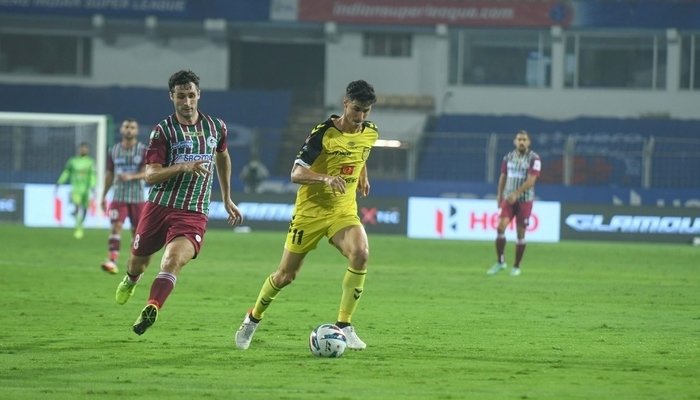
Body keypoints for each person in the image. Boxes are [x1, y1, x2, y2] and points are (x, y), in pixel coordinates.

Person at [234, 79, 378, 351]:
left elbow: (361, 152)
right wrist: (325, 179)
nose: (360, 117)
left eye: (366, 112)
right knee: (285, 276)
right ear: (345, 103)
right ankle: (252, 319)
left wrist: (362, 175)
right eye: (356, 109)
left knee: (361, 253)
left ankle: (345, 326)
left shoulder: (370, 132)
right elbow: (296, 173)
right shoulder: (322, 133)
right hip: (309, 213)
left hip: (343, 210)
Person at [114, 70, 243, 335]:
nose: (187, 102)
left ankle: (152, 306)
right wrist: (182, 166)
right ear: (171, 97)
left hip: (193, 211)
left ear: (199, 95)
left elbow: (223, 157)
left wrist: (227, 197)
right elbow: (150, 175)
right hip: (159, 206)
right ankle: (131, 279)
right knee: (137, 263)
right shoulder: (163, 131)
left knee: (172, 260)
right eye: (181, 96)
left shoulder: (216, 127)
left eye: (191, 95)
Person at [487, 130, 541, 277]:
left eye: (524, 139)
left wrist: (516, 194)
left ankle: (516, 266)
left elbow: (531, 181)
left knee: (520, 233)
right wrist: (499, 196)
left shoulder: (534, 159)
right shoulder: (508, 157)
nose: (522, 142)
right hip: (508, 199)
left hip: (524, 200)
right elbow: (503, 177)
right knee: (500, 227)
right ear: (515, 141)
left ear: (528, 142)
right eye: (519, 139)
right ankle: (500, 262)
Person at [99, 118, 147, 275]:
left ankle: (133, 262)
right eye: (126, 127)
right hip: (118, 196)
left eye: (132, 127)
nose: (129, 130)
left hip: (137, 197)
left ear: (137, 131)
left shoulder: (143, 150)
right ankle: (112, 260)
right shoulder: (113, 151)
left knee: (137, 232)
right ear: (121, 130)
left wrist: (130, 177)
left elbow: (148, 173)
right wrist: (103, 196)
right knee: (116, 226)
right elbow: (110, 174)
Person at [55, 142, 97, 239]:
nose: (83, 150)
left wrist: (93, 186)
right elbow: (66, 172)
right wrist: (59, 182)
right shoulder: (72, 161)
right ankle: (78, 228)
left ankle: (81, 223)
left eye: (85, 148)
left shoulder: (90, 162)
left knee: (85, 209)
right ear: (79, 150)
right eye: (82, 148)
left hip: (85, 190)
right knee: (77, 207)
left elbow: (93, 175)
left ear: (88, 150)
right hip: (76, 190)